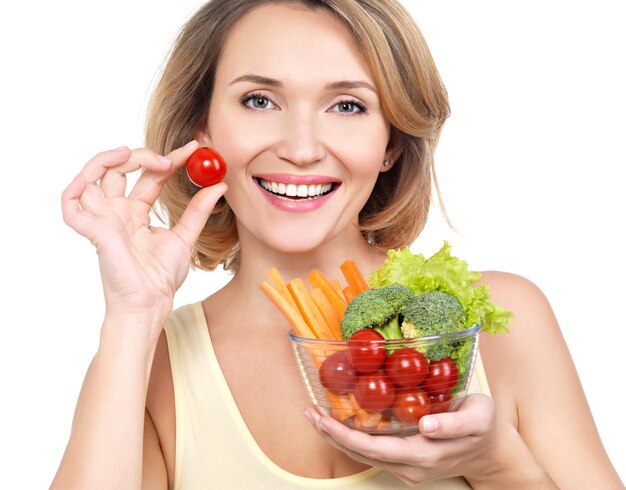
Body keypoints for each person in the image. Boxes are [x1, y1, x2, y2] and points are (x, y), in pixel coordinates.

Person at [52, 0, 624, 488]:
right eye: (259, 100)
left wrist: (499, 464)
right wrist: (133, 314)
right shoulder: (152, 363)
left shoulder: (500, 325)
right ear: (203, 129)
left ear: (391, 144)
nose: (301, 148)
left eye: (347, 106)